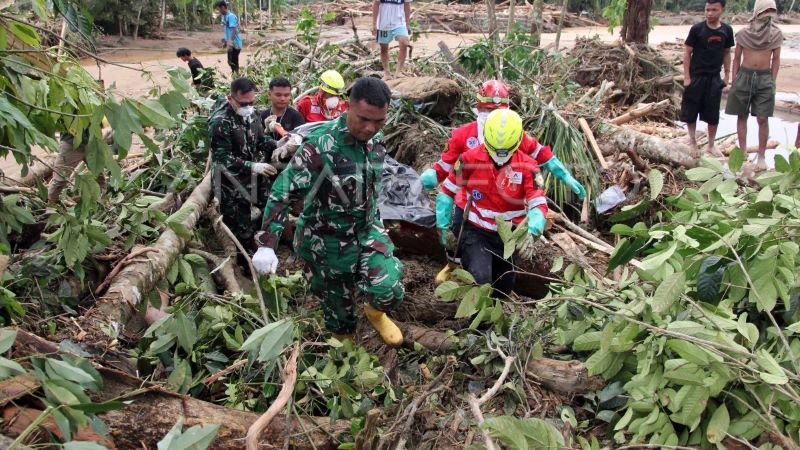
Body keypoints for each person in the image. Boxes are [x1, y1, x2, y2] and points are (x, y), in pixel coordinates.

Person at [251, 77, 404, 346]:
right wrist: (267, 243)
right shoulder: (321, 146)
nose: (370, 128)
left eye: (379, 121)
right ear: (348, 108)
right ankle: (343, 347)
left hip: (366, 229)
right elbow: (282, 192)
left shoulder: (375, 139)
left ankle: (375, 312)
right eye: (364, 119)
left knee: (389, 288)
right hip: (327, 240)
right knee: (339, 313)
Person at [436, 109, 548, 298]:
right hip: (476, 229)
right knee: (481, 278)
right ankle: (474, 320)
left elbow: (538, 202)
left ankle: (491, 321)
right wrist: (443, 226)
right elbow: (447, 191)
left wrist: (534, 230)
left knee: (504, 285)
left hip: (508, 236)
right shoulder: (469, 159)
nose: (499, 157)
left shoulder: (529, 167)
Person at [420, 80, 586, 199]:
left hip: (508, 204)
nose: (492, 116)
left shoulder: (514, 135)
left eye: (497, 111)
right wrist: (432, 176)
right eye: (488, 110)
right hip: (471, 204)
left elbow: (541, 154)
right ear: (478, 108)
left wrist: (565, 175)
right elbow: (445, 165)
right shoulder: (463, 135)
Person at [208, 77, 277, 251]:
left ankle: (265, 239)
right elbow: (222, 158)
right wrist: (252, 166)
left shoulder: (253, 114)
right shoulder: (220, 122)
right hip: (229, 182)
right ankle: (244, 258)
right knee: (240, 227)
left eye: (252, 102)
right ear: (230, 99)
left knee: (271, 205)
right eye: (243, 103)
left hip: (252, 176)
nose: (248, 107)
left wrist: (278, 145)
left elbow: (260, 140)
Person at [725, 0, 784, 171]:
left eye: (772, 11)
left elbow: (776, 59)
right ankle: (742, 153)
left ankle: (762, 156)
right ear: (758, 12)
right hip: (744, 75)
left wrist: (772, 81)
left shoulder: (776, 35)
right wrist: (734, 79)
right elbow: (737, 58)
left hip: (765, 78)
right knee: (741, 115)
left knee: (762, 118)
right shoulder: (743, 34)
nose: (769, 15)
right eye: (766, 11)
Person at [680, 0, 734, 158]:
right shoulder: (697, 30)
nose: (709, 13)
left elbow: (726, 53)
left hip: (714, 77)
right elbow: (687, 52)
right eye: (707, 9)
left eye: (714, 10)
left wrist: (728, 74)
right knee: (691, 111)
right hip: (696, 76)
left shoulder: (726, 30)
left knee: (713, 113)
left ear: (722, 10)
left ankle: (711, 144)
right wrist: (687, 77)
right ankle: (692, 141)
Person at [371, 0, 412, 78]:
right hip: (383, 24)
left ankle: (398, 72)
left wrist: (407, 24)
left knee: (404, 42)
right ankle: (387, 73)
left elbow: (407, 5)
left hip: (399, 22)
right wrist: (373, 24)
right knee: (384, 49)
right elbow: (376, 4)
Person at [260, 77, 305, 141]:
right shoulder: (262, 116)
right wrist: (266, 131)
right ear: (269, 94)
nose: (282, 99)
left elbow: (301, 140)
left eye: (286, 95)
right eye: (278, 95)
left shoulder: (296, 117)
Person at [215, 1, 243, 76]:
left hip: (235, 43)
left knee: (233, 62)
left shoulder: (231, 16)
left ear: (223, 7)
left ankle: (236, 76)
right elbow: (227, 30)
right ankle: (236, 75)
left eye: (219, 10)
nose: (219, 12)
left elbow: (233, 30)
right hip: (230, 42)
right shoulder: (225, 16)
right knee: (230, 61)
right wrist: (225, 41)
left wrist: (230, 42)